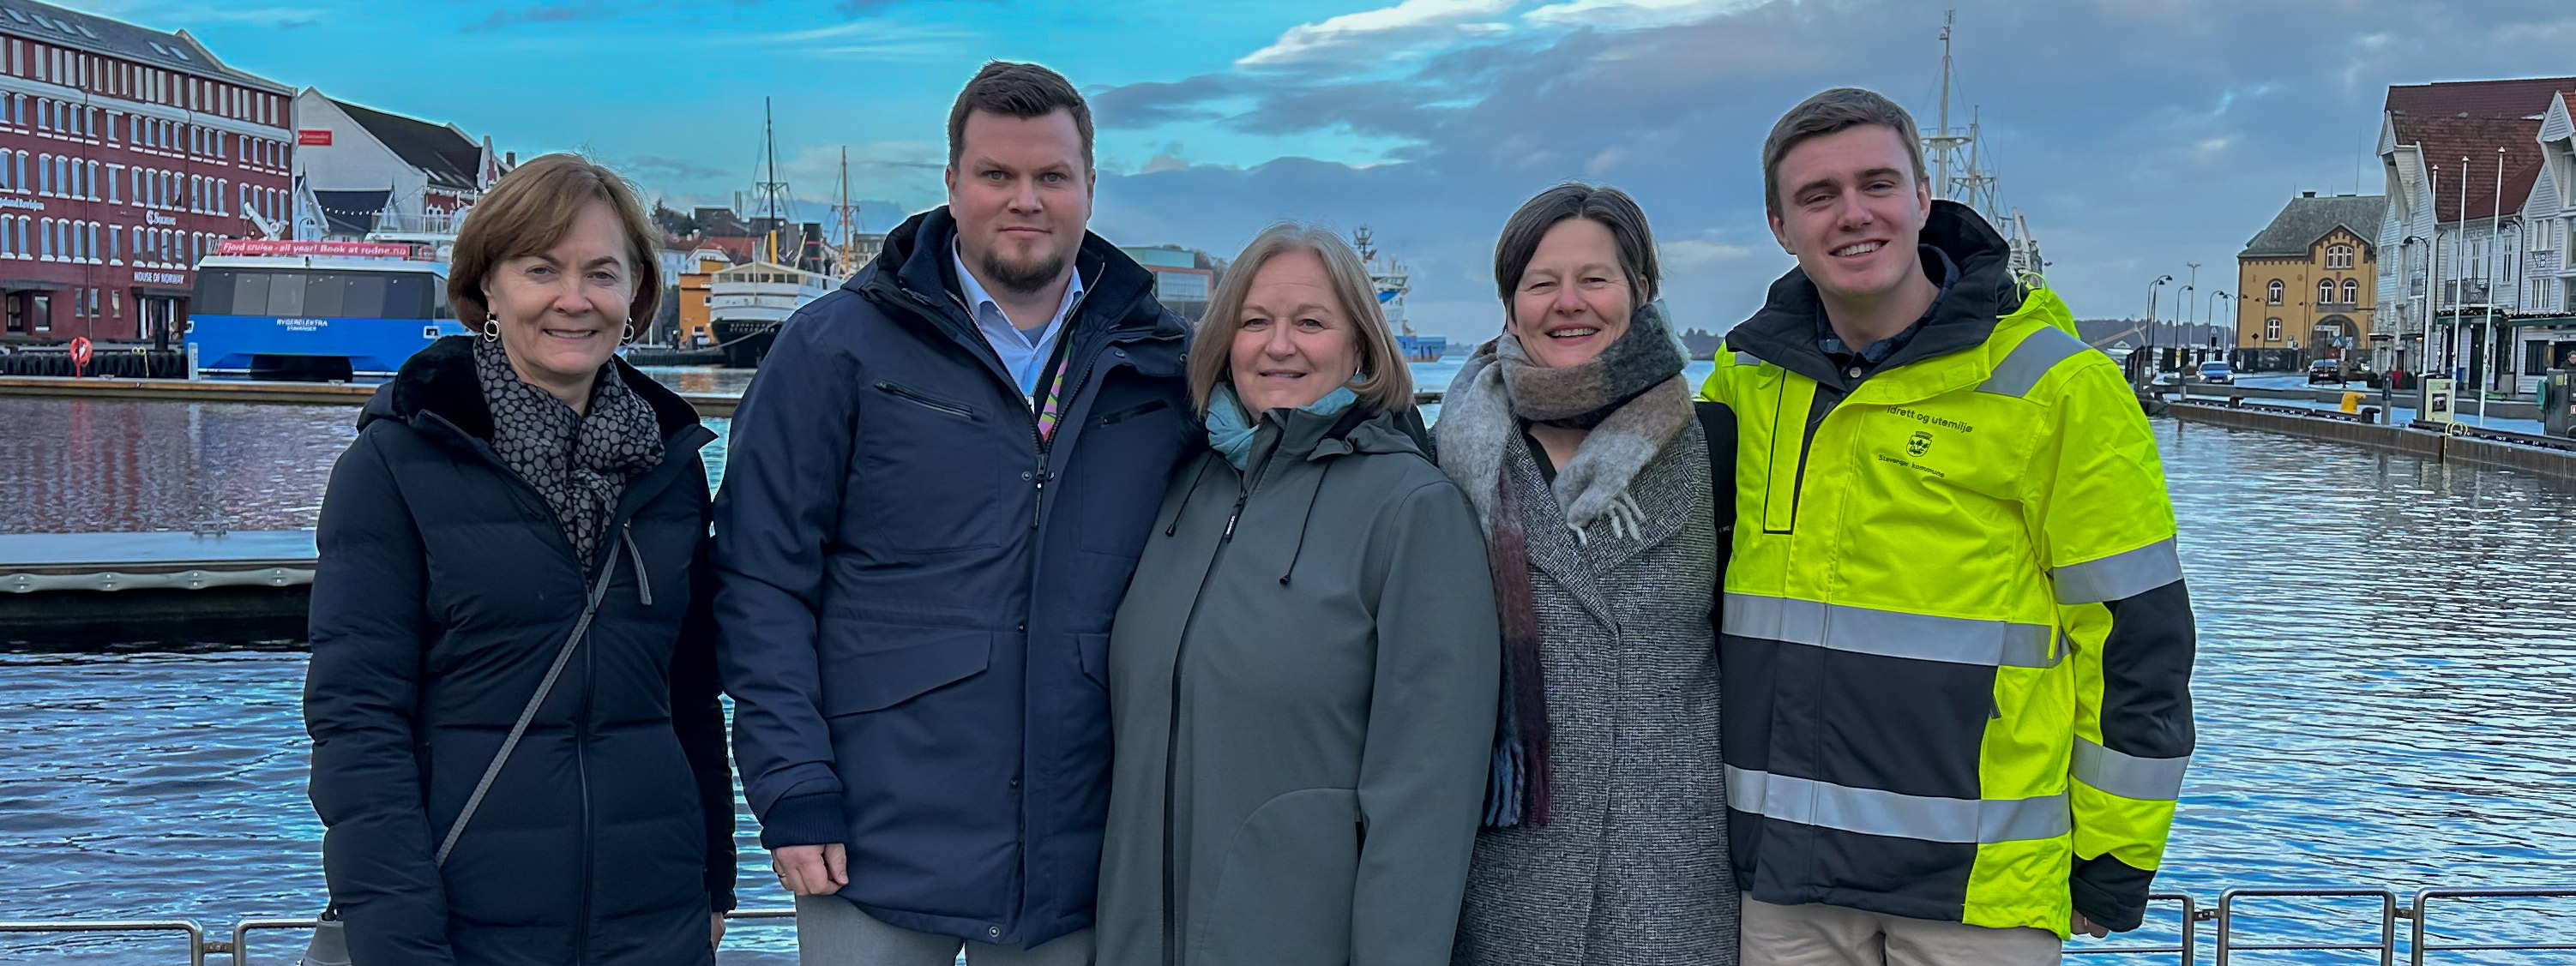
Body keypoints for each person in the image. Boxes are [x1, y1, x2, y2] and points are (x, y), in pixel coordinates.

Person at [1700, 87, 2197, 966]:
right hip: (1784, 880)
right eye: (1817, 196)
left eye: (1876, 184)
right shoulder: (1745, 382)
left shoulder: (2058, 387)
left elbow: (2133, 637)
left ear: (1923, 199)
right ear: (1779, 226)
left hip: (1975, 888)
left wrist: (2114, 855)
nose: (1852, 213)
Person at [713, 61, 1195, 964]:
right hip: (870, 834)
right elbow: (759, 583)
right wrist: (792, 788)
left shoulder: (1160, 365)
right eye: (996, 175)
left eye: (1051, 176)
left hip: (1082, 848)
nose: (1025, 200)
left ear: (1089, 186)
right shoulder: (832, 349)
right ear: (951, 184)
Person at [304, 153, 735, 965]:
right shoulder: (396, 466)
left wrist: (714, 878)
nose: (574, 299)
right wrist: (397, 937)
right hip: (465, 929)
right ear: (487, 288)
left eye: (602, 273)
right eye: (542, 269)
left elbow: (688, 694)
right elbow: (357, 726)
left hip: (653, 922)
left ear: (636, 296)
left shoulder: (670, 471)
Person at [1093, 225, 1500, 966]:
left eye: (1310, 323)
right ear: (1224, 341)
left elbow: (1426, 803)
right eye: (1255, 322)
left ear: (1362, 349)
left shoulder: (1412, 510)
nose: (1279, 345)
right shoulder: (1184, 489)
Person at [1439, 183, 1738, 966]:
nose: (1568, 303)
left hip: (1671, 863)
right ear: (1510, 306)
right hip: (1503, 864)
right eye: (1541, 283)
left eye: (1595, 279)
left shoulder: (1717, 445)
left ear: (1641, 292)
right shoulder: (1448, 456)